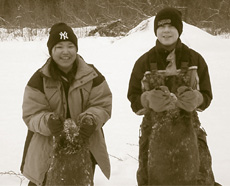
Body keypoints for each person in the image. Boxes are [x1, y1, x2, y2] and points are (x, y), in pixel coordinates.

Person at [127, 7, 218, 185]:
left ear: (179, 30)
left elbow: (206, 96)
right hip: (153, 131)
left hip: (190, 130)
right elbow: (134, 101)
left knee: (202, 178)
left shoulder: (195, 60)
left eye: (171, 27)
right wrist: (148, 100)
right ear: (155, 31)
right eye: (161, 27)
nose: (166, 31)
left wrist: (196, 98)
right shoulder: (143, 62)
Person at [20, 22, 112, 185]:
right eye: (59, 47)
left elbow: (103, 105)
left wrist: (91, 119)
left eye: (70, 46)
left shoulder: (93, 75)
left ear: (76, 48)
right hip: (47, 150)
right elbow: (31, 114)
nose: (65, 52)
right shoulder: (38, 79)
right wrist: (48, 121)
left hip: (85, 144)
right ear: (51, 51)